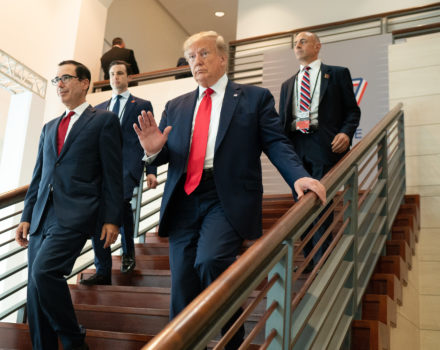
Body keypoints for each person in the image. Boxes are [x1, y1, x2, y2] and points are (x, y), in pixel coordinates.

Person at [133, 31, 326, 349]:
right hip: (183, 198)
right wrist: (153, 152)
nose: (196, 61)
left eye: (203, 54)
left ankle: (232, 341)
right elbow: (167, 153)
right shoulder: (176, 106)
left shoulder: (254, 98)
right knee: (182, 284)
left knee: (210, 261)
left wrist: (298, 177)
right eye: (191, 56)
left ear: (223, 58)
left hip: (225, 197)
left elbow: (276, 142)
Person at [14, 60, 123, 350]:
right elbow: (38, 175)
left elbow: (113, 173)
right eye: (56, 80)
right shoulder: (50, 127)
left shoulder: (103, 120)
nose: (59, 84)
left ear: (85, 83)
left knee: (44, 272)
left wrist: (112, 218)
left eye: (65, 78)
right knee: (35, 291)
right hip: (41, 216)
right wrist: (26, 214)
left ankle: (75, 340)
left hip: (76, 213)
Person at [278, 32, 361, 269]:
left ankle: (321, 263)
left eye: (302, 41)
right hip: (296, 149)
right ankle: (311, 258)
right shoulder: (287, 84)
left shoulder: (336, 74)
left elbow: (352, 111)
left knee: (320, 202)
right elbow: (283, 121)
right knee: (301, 203)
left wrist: (345, 133)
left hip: (324, 146)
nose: (298, 45)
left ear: (317, 46)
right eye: (295, 43)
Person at [80, 60, 158, 285]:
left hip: (128, 166)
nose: (115, 77)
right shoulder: (100, 107)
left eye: (120, 73)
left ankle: (128, 253)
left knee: (121, 202)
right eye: (112, 74)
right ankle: (103, 270)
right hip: (101, 169)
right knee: (99, 213)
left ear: (129, 77)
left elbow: (150, 138)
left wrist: (150, 171)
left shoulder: (142, 104)